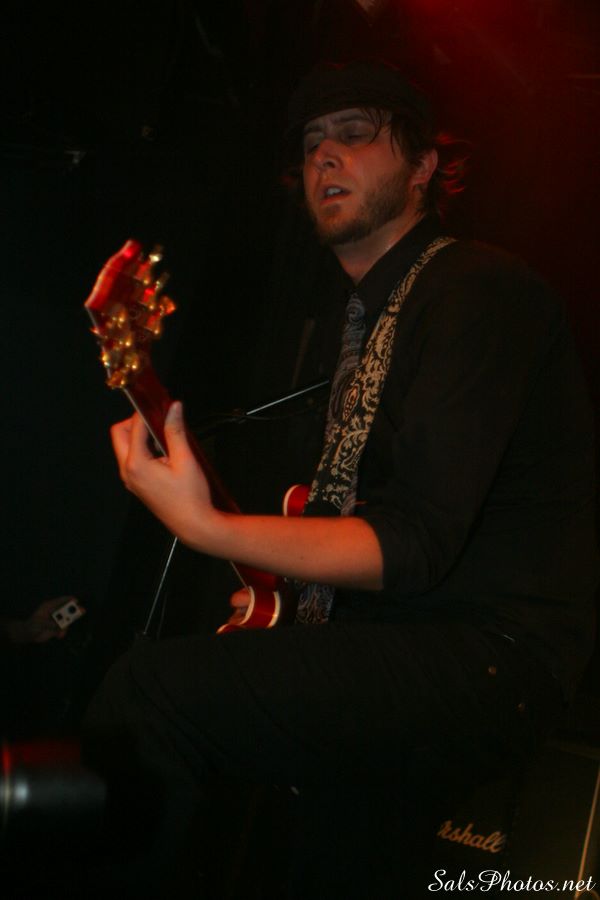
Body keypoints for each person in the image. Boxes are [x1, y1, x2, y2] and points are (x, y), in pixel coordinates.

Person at [82, 61, 598, 898]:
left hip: (486, 655)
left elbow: (414, 545)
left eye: (354, 134)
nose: (325, 155)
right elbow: (370, 531)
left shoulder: (477, 290)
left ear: (424, 165)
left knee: (149, 696)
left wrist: (208, 528)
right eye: (312, 143)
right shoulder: (363, 331)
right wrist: (280, 591)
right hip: (405, 647)